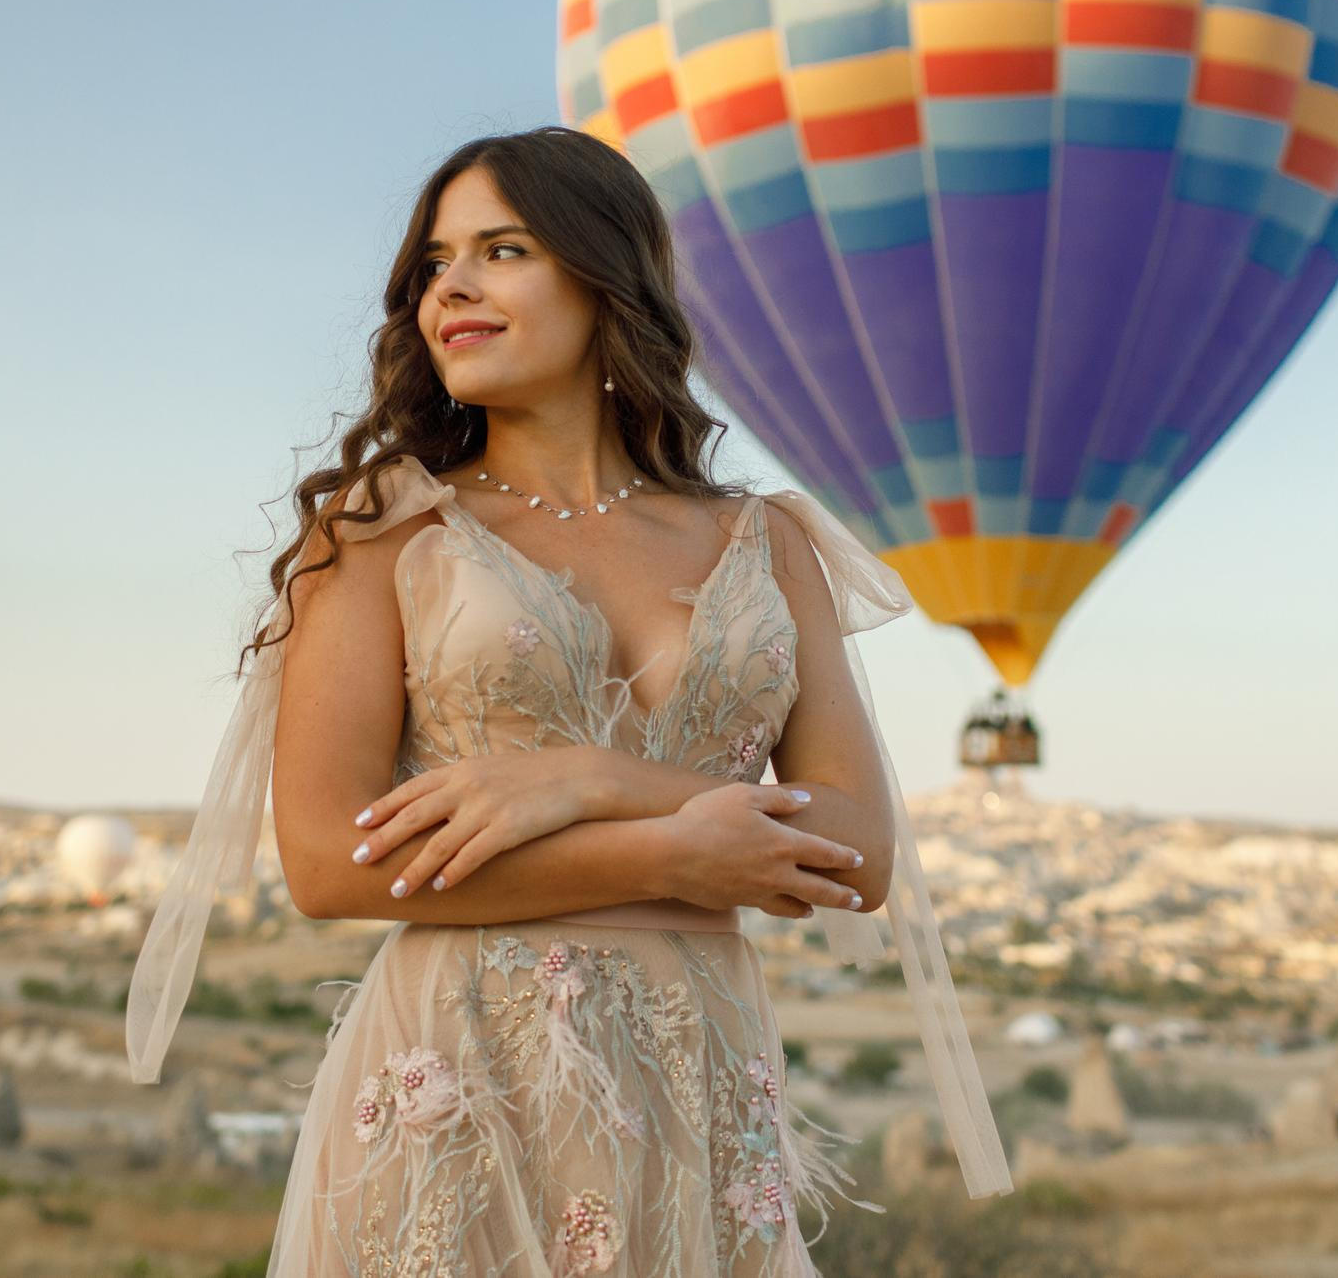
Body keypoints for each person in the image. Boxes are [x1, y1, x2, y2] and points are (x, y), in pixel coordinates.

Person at [125, 127, 1010, 1274]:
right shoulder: (381, 533)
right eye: (434, 263)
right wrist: (666, 856)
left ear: (606, 280)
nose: (452, 286)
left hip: (702, 1088)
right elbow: (325, 865)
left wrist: (591, 781)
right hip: (461, 1086)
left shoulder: (770, 542)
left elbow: (857, 854)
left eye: (501, 250)